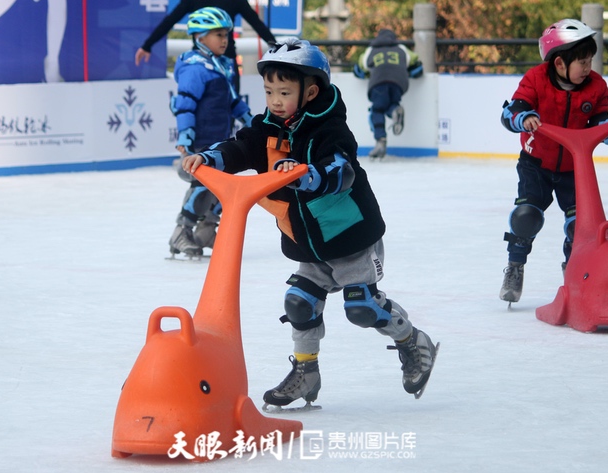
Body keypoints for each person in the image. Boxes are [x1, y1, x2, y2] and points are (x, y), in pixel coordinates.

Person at [182, 38, 438, 406]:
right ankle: (306, 372)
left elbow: (340, 169)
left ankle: (413, 341)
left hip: (350, 238)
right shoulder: (268, 126)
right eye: (269, 91)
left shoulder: (329, 129)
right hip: (309, 242)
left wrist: (307, 175)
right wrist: (208, 159)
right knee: (299, 303)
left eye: (284, 92)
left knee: (361, 308)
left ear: (310, 91)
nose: (274, 101)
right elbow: (240, 147)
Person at [499, 19, 608, 304]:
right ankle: (515, 265)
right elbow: (512, 111)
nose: (588, 68)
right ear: (559, 63)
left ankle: (575, 275)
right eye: (582, 62)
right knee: (527, 217)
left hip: (575, 169)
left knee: (581, 226)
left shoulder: (596, 86)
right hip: (536, 165)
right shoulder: (536, 78)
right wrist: (523, 118)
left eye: (590, 60)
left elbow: (599, 121)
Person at [168, 7, 254, 258]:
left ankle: (205, 231)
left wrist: (253, 123)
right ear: (200, 37)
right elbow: (184, 104)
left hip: (220, 139)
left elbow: (234, 102)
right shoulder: (195, 68)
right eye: (218, 34)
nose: (225, 40)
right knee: (202, 185)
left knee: (221, 188)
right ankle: (181, 232)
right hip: (202, 140)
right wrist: (185, 135)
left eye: (227, 34)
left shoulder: (221, 65)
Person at [134, 0, 277, 93]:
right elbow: (258, 26)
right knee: (229, 112)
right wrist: (277, 49)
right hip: (227, 61)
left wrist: (147, 45)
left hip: (199, 62)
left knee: (197, 109)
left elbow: (169, 21)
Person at [353, 28, 423, 159]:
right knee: (390, 104)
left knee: (377, 110)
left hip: (378, 82)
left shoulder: (370, 50)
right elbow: (415, 61)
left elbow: (359, 68)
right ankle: (395, 110)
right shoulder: (401, 48)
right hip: (399, 83)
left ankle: (380, 142)